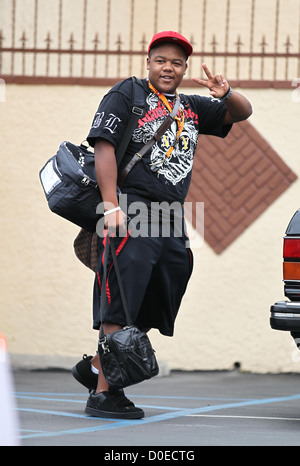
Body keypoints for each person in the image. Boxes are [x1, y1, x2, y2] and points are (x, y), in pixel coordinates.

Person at [72, 31, 252, 419]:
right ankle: (104, 393)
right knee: (122, 296)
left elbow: (241, 112)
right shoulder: (128, 94)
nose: (168, 67)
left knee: (162, 291)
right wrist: (110, 205)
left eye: (176, 62)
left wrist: (225, 93)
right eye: (161, 60)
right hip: (132, 206)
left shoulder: (190, 106)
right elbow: (103, 145)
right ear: (148, 61)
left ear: (185, 68)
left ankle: (97, 368)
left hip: (170, 215)